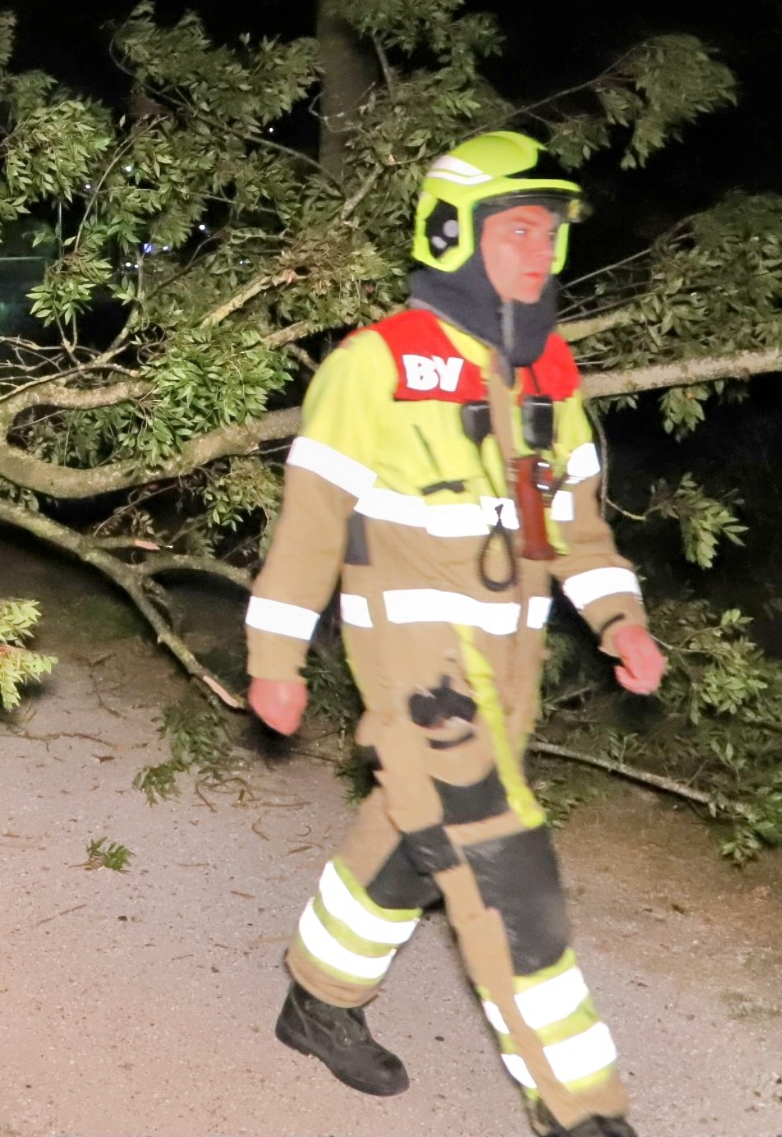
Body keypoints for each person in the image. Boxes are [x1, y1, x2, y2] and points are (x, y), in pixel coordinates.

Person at [245, 131, 665, 1137]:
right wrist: (275, 656)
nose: (538, 250)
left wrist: (620, 618)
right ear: (454, 234)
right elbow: (308, 525)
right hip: (418, 660)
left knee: (415, 827)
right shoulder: (374, 364)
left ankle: (319, 995)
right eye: (516, 228)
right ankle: (582, 1111)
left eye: (549, 232)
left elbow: (579, 525)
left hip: (510, 664)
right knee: (501, 863)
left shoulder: (551, 375)